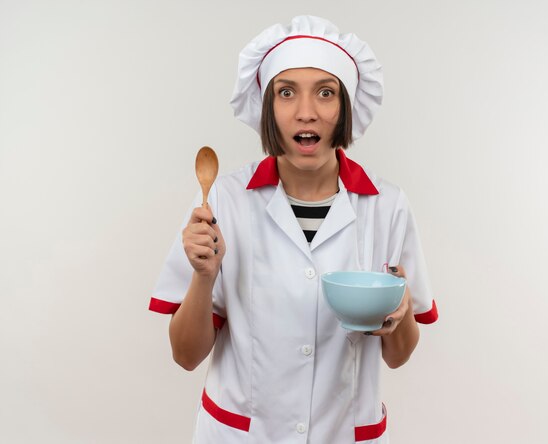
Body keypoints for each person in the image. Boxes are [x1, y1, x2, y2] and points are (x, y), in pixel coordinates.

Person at [149, 15, 438, 443]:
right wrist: (203, 275)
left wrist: (399, 315)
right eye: (286, 93)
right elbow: (185, 355)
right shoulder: (223, 200)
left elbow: (398, 356)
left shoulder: (387, 205)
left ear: (345, 108)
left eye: (325, 92)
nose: (307, 112)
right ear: (268, 107)